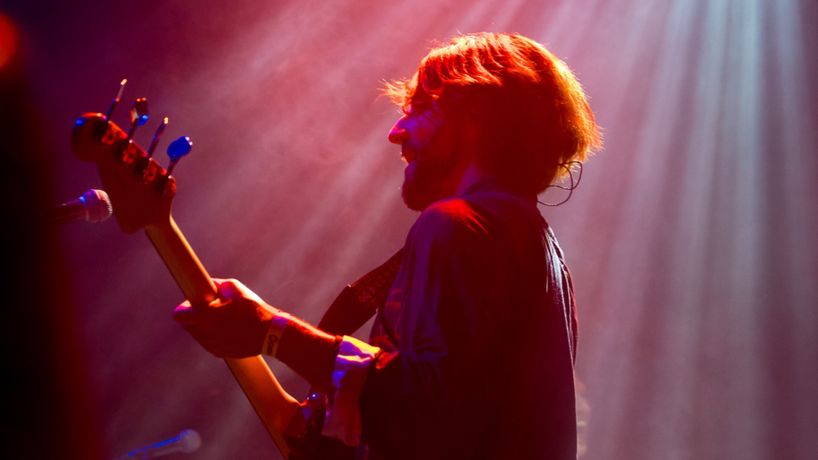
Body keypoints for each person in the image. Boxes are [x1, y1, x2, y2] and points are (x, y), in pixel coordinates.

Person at [174, 32, 601, 460]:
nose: (396, 132)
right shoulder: (544, 253)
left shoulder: (455, 225)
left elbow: (427, 414)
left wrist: (275, 332)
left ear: (476, 116)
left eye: (419, 109)